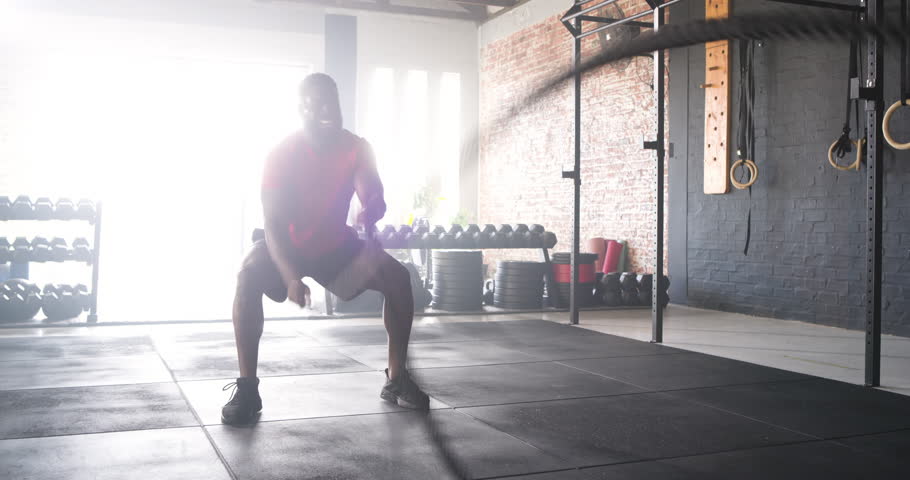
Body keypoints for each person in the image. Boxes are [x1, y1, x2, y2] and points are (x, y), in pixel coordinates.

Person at [221, 73, 429, 425]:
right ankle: (247, 388)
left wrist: (370, 207)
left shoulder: (357, 147)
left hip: (335, 242)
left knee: (397, 277)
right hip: (286, 243)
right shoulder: (281, 154)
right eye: (317, 104)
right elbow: (272, 224)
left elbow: (371, 189)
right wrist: (289, 278)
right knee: (247, 275)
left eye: (332, 103)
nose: (327, 110)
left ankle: (396, 380)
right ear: (301, 108)